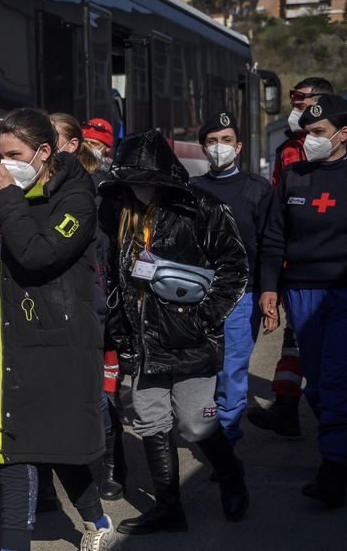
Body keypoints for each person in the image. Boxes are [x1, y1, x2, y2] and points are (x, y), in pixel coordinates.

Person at [99, 130, 250, 535]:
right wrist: (121, 333)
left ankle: (230, 474)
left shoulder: (205, 208)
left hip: (190, 341)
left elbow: (234, 267)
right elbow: (117, 276)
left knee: (195, 425)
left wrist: (203, 319)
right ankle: (169, 507)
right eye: (130, 180)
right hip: (142, 341)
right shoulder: (123, 211)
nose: (137, 187)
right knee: (150, 421)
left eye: (143, 179)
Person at [258, 95, 347, 507]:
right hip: (302, 292)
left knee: (338, 378)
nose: (309, 140)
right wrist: (270, 286)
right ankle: (343, 450)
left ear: (343, 135)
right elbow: (274, 237)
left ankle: (334, 465)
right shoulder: (294, 176)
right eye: (306, 133)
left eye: (318, 133)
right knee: (318, 384)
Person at [0, 110, 114, 551]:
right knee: (20, 447)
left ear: (44, 152)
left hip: (61, 339)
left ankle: (96, 518)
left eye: (14, 155)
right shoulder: (10, 191)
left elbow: (38, 255)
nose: (4, 166)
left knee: (61, 448)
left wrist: (9, 202)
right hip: (15, 334)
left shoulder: (77, 198)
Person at [49, 112, 125, 502]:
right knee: (42, 397)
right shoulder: (35, 185)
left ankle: (112, 466)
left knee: (95, 395)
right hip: (42, 306)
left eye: (52, 137)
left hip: (87, 303)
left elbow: (108, 251)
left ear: (72, 144)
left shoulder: (99, 189)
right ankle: (44, 483)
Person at [188, 113, 271, 446]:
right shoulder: (193, 189)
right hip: (200, 293)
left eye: (226, 141)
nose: (218, 147)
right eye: (211, 141)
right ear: (203, 149)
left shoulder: (257, 188)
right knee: (201, 368)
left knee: (232, 369)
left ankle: (227, 440)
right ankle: (203, 427)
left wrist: (270, 292)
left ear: (238, 147)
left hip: (243, 294)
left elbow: (269, 244)